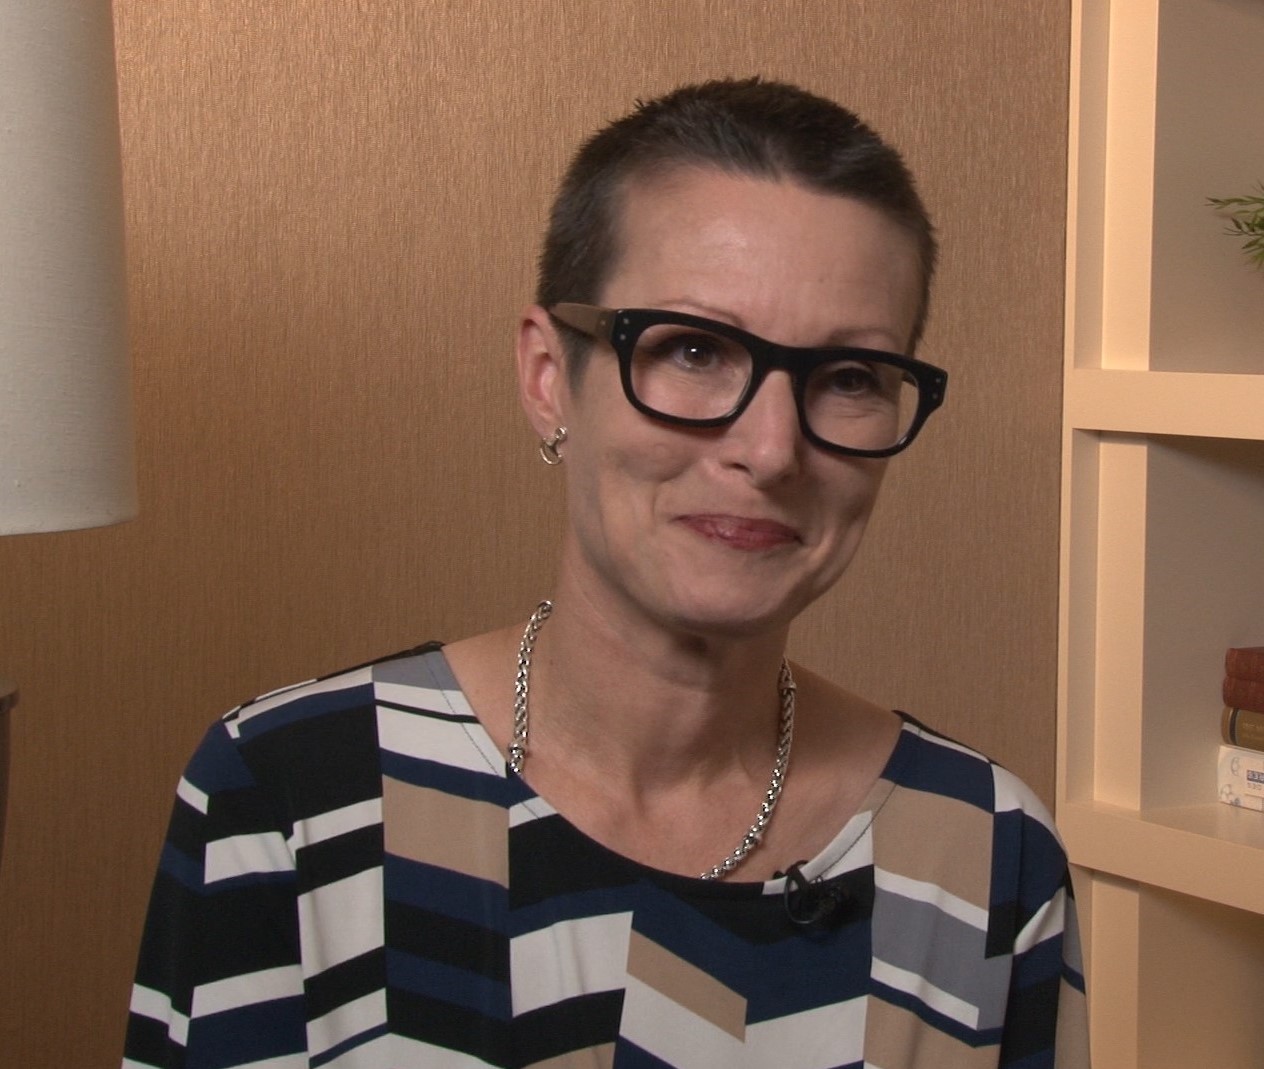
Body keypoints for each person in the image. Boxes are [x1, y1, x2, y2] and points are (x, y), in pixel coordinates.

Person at [123, 78, 1088, 1068]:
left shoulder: (986, 854)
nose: (770, 450)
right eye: (695, 350)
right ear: (549, 379)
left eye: (848, 378)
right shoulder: (292, 797)